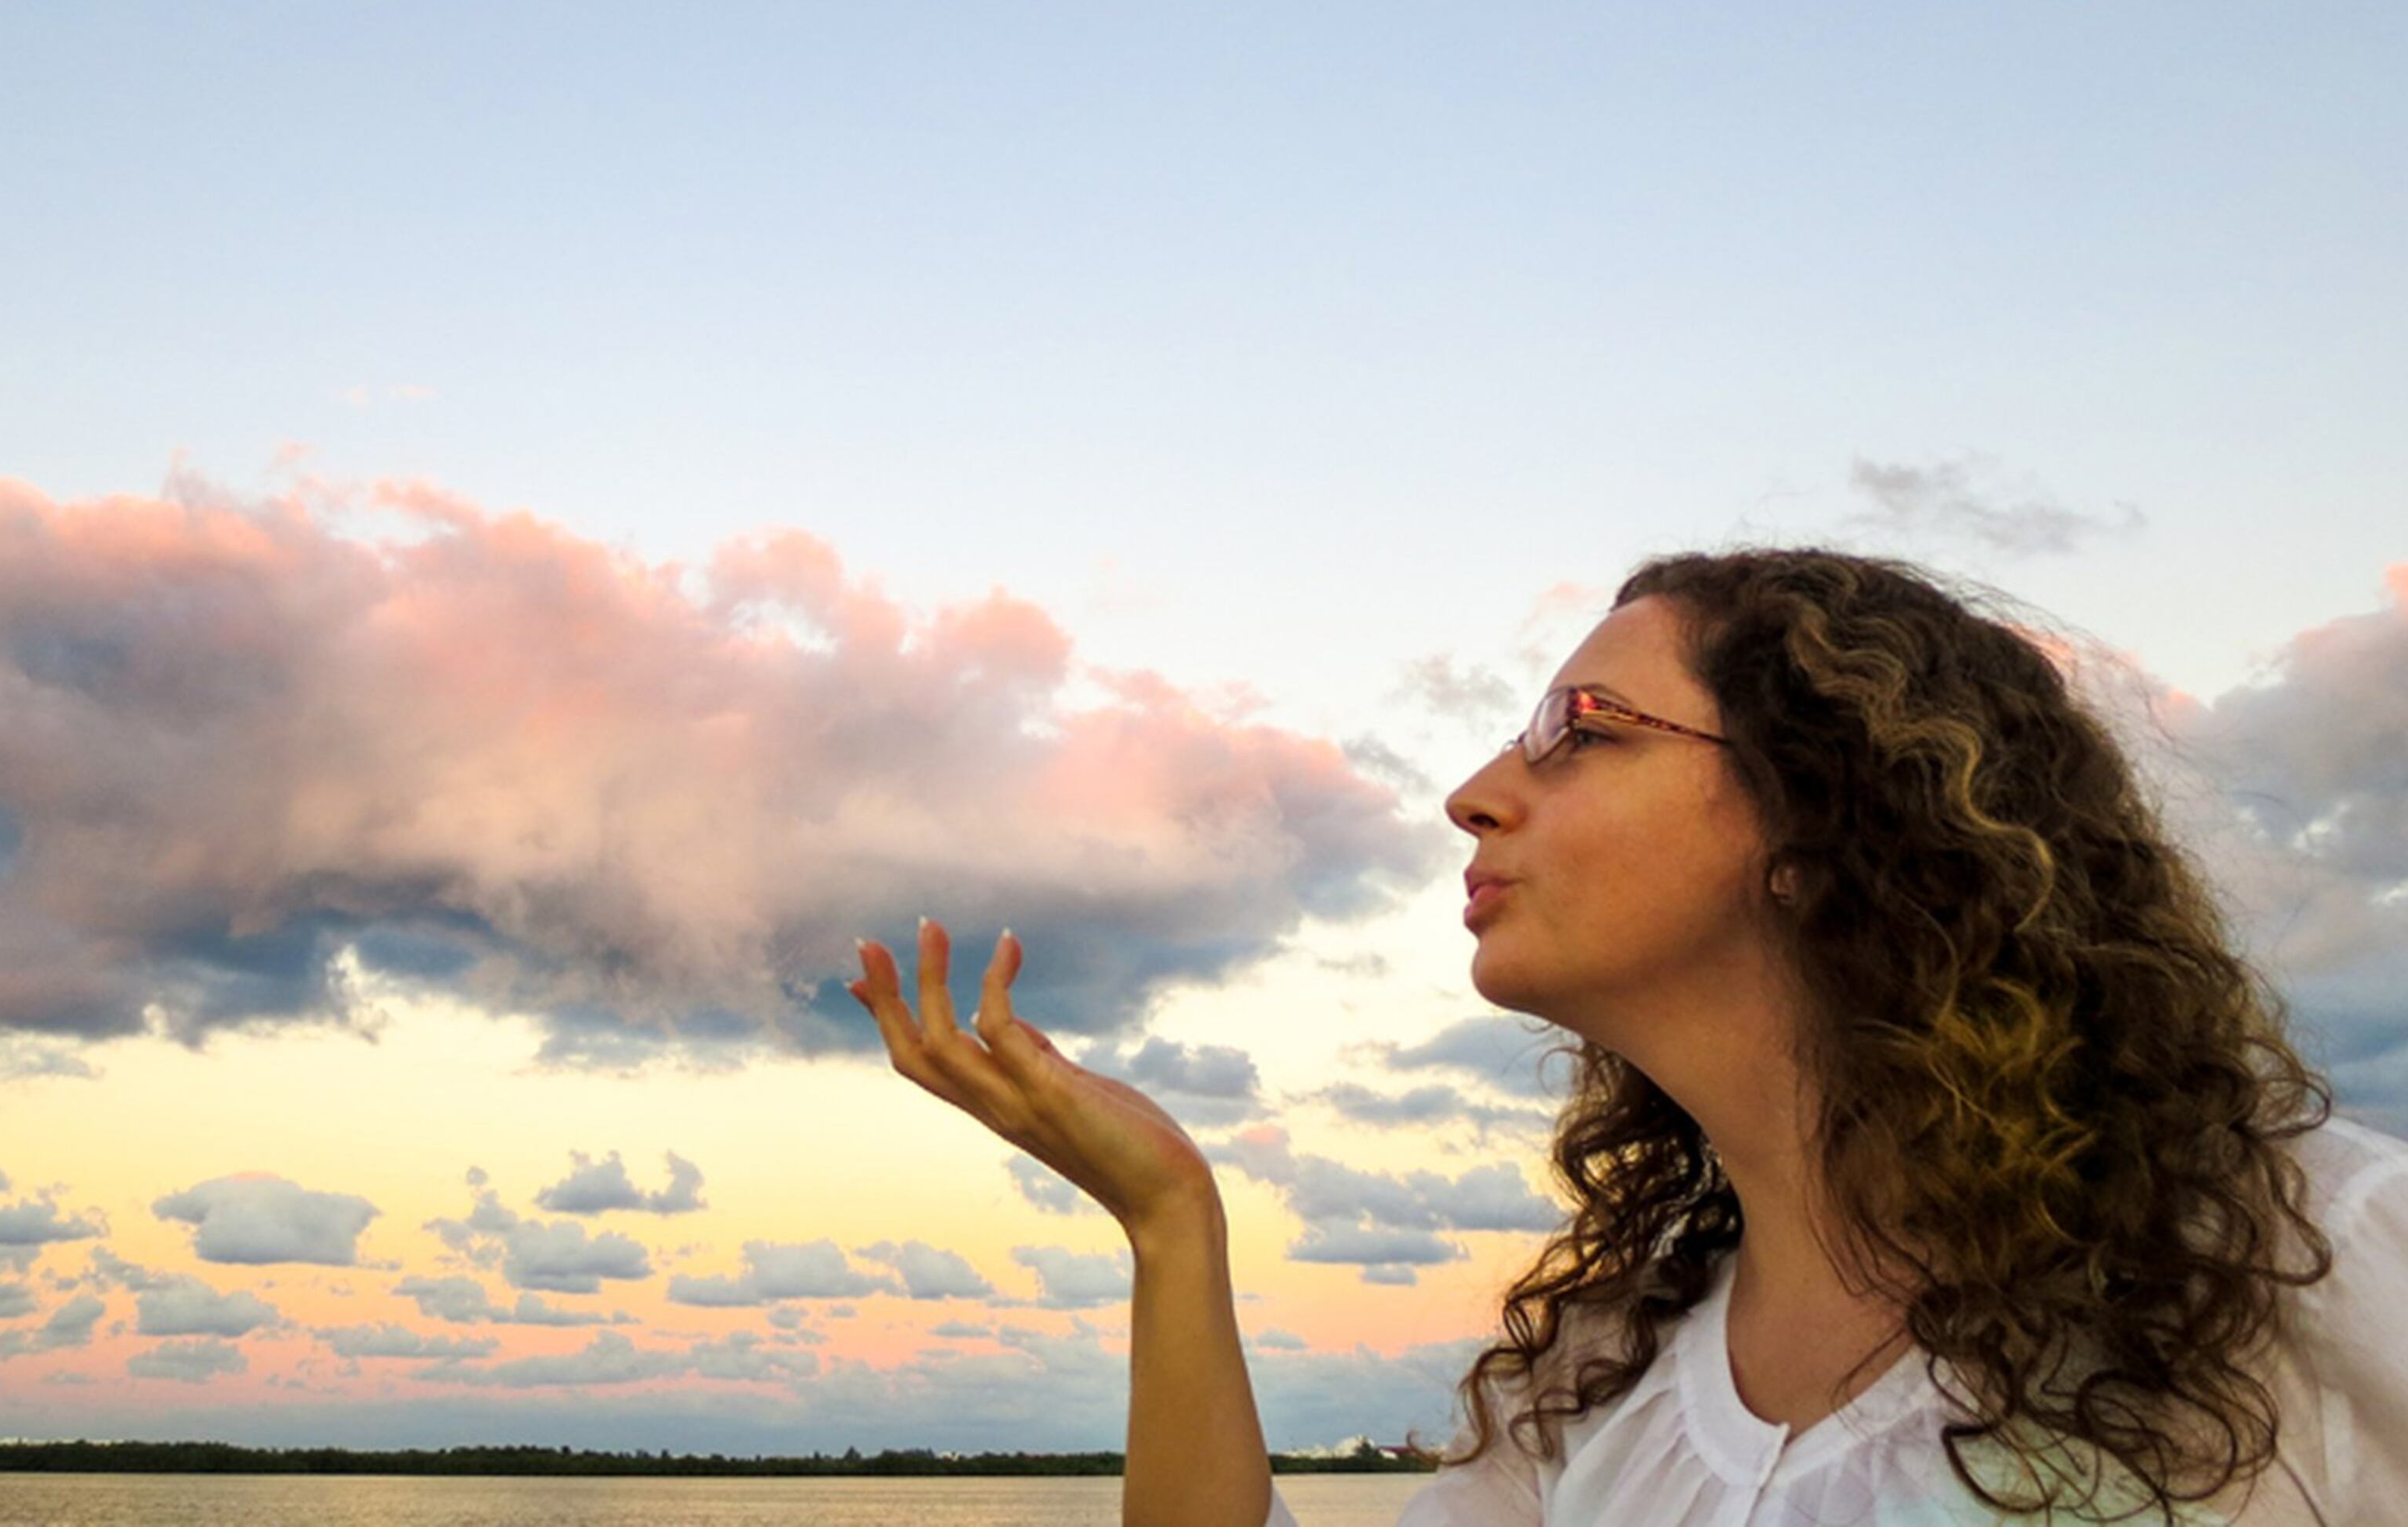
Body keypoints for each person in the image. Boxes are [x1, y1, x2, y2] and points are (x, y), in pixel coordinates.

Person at [851, 546, 2407, 1527]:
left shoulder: (2308, 1259)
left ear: (1823, 817)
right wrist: (1172, 1224)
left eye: (1581, 731)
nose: (1474, 788)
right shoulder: (1596, 1393)